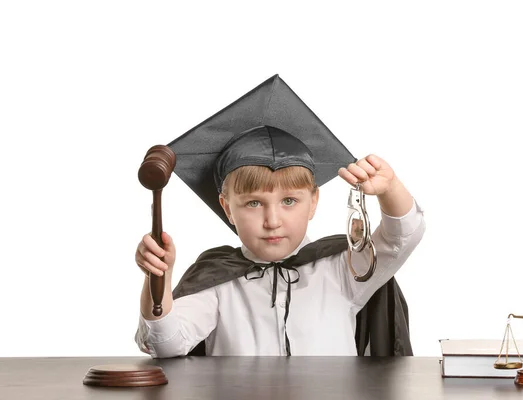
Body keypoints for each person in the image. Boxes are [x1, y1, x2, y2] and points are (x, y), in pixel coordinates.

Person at [134, 76, 425, 357]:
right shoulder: (217, 283)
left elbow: (401, 236)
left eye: (289, 201)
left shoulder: (342, 270)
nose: (272, 220)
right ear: (226, 208)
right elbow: (166, 344)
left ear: (313, 202)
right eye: (253, 203)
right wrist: (157, 278)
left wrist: (390, 189)